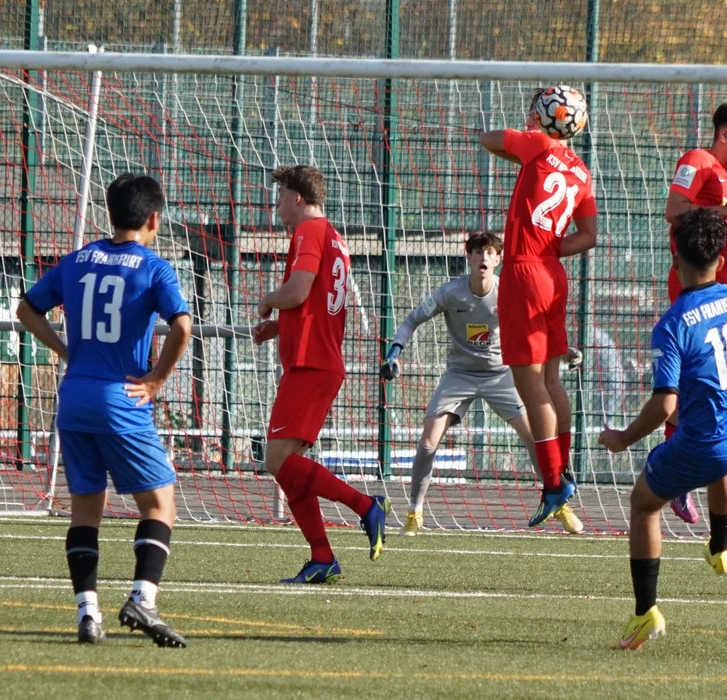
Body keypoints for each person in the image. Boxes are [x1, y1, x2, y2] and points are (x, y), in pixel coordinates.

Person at [599, 207, 727, 649]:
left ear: (674, 258)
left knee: (643, 503)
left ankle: (645, 613)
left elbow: (663, 404)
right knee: (720, 456)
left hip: (709, 441)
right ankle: (720, 547)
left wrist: (622, 438)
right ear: (722, 258)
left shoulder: (673, 324)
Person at [16, 173, 192, 646]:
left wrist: (66, 351)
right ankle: (142, 598)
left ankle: (87, 614)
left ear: (109, 214)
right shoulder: (154, 268)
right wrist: (156, 379)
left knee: (85, 510)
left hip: (74, 399)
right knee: (160, 504)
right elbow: (182, 327)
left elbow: (26, 309)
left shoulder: (76, 261)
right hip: (121, 400)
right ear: (153, 219)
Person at [380, 232, 583, 535]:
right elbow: (412, 320)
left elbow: (537, 330)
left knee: (535, 437)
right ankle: (414, 513)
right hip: (459, 376)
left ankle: (558, 502)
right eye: (478, 252)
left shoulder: (509, 293)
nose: (483, 258)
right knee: (427, 443)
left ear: (498, 259)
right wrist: (394, 353)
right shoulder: (451, 293)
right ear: (469, 257)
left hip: (501, 376)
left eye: (489, 253)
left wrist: (563, 352)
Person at [252, 164, 389, 584]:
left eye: (280, 197)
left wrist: (268, 301)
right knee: (286, 464)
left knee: (276, 460)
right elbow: (316, 302)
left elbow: (297, 292)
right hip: (319, 359)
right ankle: (322, 557)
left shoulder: (308, 231)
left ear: (297, 197)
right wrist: (281, 326)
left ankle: (365, 505)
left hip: (311, 363)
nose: (277, 205)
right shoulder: (333, 236)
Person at [478, 86, 598, 528]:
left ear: (543, 117)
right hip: (552, 272)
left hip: (525, 272)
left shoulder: (537, 144)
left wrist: (529, 133)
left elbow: (488, 139)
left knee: (530, 385)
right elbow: (588, 236)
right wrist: (548, 248)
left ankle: (552, 482)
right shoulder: (581, 171)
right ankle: (562, 468)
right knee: (551, 379)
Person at [663, 100, 727, 524]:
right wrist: (724, 211)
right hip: (691, 286)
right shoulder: (697, 160)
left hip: (719, 285)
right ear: (724, 134)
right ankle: (677, 477)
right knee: (693, 378)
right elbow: (673, 210)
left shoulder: (724, 176)